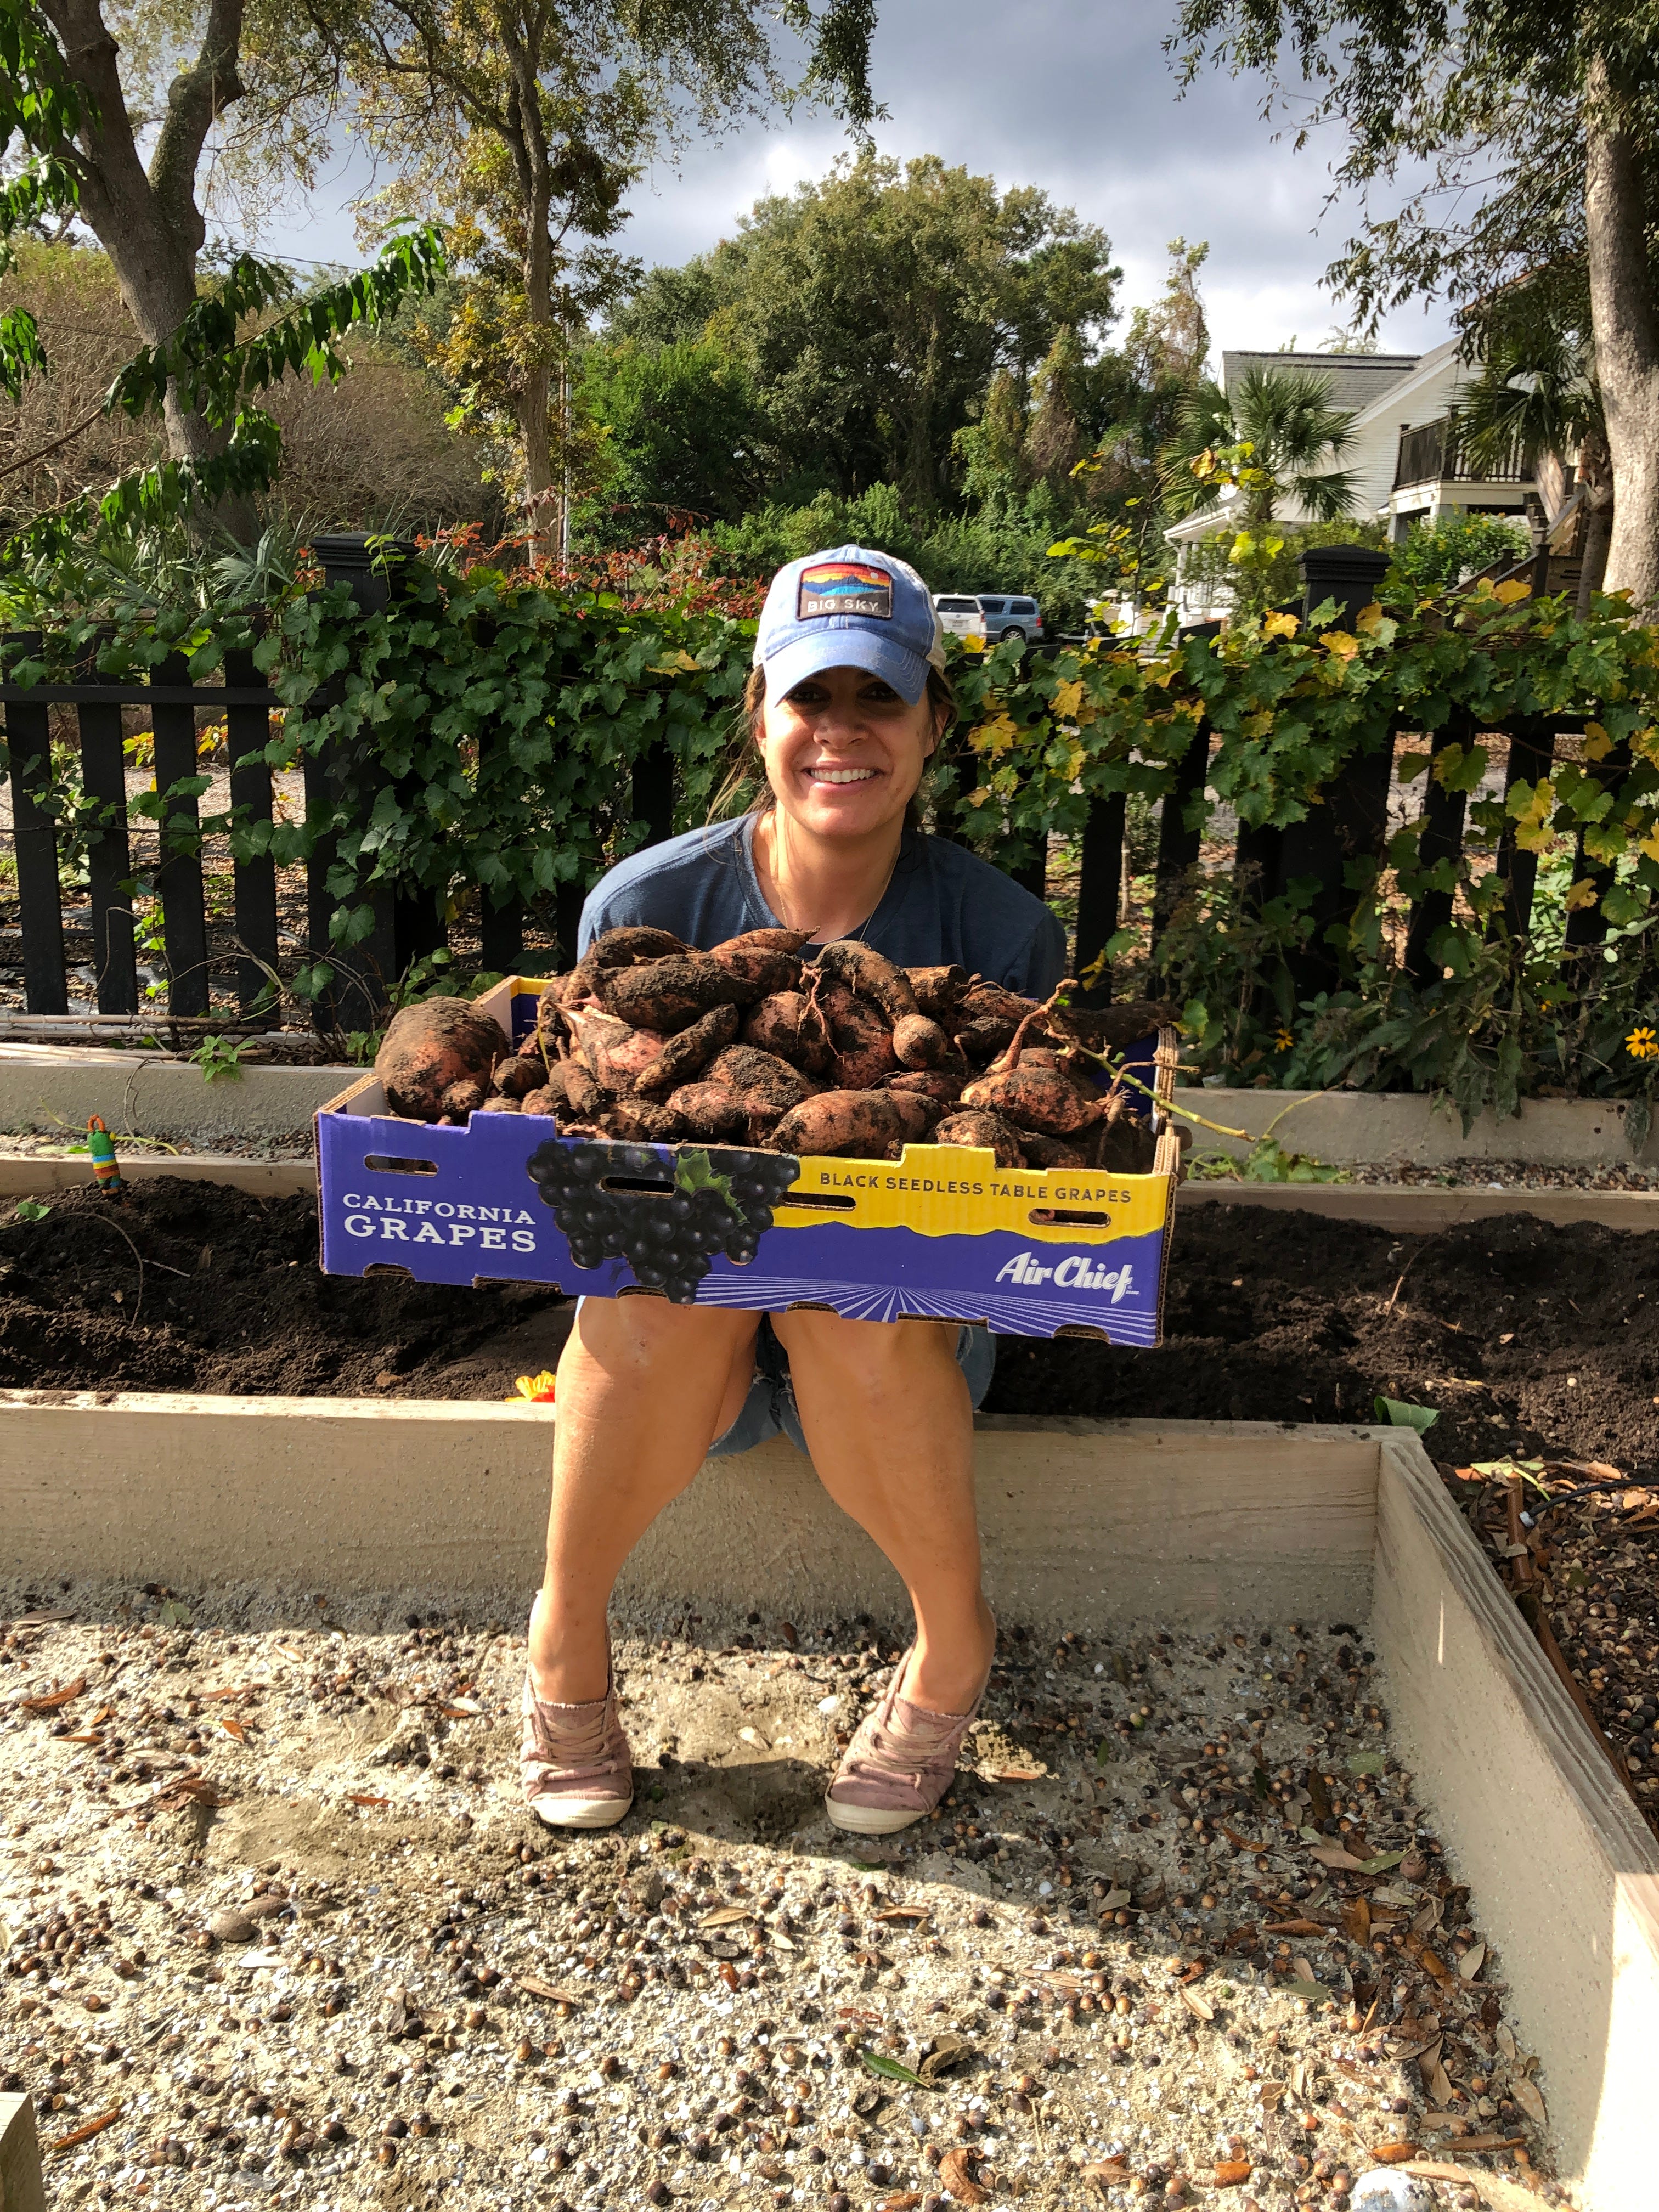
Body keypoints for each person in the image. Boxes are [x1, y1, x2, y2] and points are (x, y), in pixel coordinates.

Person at [520, 545, 1067, 1837]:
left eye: (879, 699)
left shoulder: (998, 934)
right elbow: (600, 1130)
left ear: (931, 723)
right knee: (659, 1284)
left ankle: (953, 1651)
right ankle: (562, 1640)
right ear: (760, 714)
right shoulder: (653, 902)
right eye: (811, 697)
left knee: (850, 1286)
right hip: (686, 1328)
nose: (842, 731)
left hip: (903, 1338)